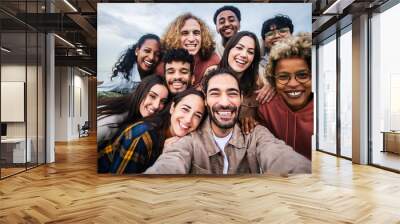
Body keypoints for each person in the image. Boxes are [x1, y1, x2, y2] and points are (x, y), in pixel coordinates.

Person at [144, 68, 311, 175]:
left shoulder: (255, 134)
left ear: (241, 98)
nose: (224, 102)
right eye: (215, 93)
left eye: (231, 93)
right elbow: (170, 164)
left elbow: (280, 156)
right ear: (206, 100)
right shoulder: (190, 138)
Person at [98, 89, 206, 174]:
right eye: (185, 109)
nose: (188, 120)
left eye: (197, 116)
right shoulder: (142, 136)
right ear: (173, 108)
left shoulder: (184, 140)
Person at [258, 33, 313, 160]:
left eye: (302, 75)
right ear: (273, 80)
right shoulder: (267, 108)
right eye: (283, 77)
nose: (293, 84)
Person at [218, 31, 270, 133]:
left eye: (250, 52)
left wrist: (273, 86)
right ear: (229, 49)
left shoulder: (259, 83)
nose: (244, 55)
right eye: (239, 48)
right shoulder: (210, 76)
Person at [97, 75, 169, 147]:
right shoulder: (110, 124)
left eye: (162, 101)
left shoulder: (133, 112)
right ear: (141, 92)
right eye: (152, 96)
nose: (156, 106)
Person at [157, 13, 220, 86]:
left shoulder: (212, 60)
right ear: (175, 37)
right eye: (185, 33)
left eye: (196, 33)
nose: (191, 39)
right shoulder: (164, 65)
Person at [259, 15, 294, 85]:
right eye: (270, 34)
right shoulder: (258, 68)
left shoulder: (306, 57)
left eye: (283, 31)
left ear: (292, 35)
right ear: (264, 42)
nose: (277, 36)